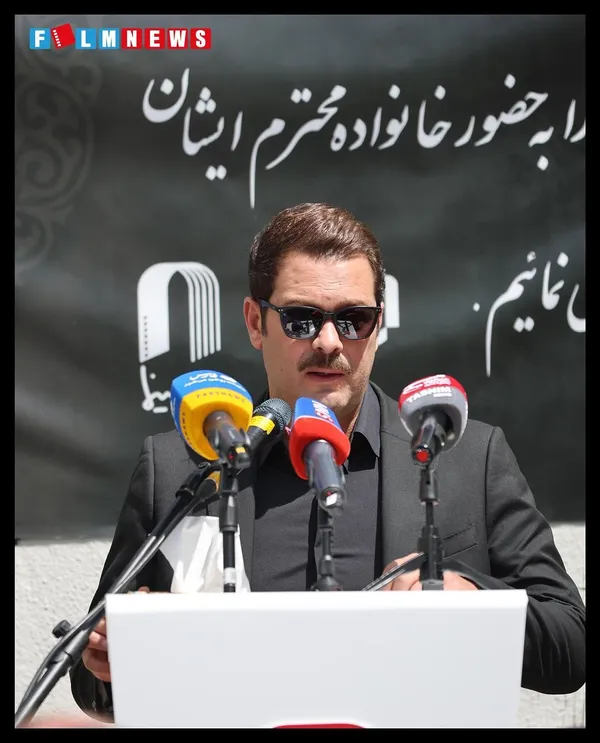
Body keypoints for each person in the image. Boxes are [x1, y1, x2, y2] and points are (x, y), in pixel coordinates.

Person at [70, 202, 585, 722]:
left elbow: (570, 646)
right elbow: (91, 681)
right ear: (255, 322)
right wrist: (116, 657)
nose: (329, 342)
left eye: (354, 319)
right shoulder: (177, 466)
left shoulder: (468, 457)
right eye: (301, 320)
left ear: (378, 324)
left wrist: (472, 599)